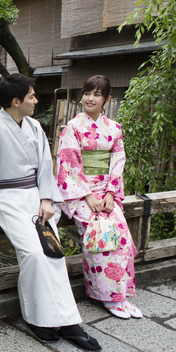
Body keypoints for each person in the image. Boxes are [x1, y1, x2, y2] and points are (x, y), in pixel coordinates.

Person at [0, 73, 101, 352]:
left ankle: (69, 322)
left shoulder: (35, 127)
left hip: (37, 198)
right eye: (32, 97)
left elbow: (44, 163)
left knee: (54, 253)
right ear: (16, 101)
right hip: (6, 198)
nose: (36, 100)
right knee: (34, 254)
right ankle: (39, 320)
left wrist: (47, 198)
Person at [55, 75, 141, 319]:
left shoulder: (114, 129)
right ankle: (106, 297)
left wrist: (112, 192)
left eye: (96, 94)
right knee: (100, 237)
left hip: (106, 192)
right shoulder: (72, 127)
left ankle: (121, 295)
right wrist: (88, 195)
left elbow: (118, 161)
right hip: (80, 192)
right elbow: (69, 164)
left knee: (122, 238)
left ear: (107, 99)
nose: (90, 98)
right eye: (87, 93)